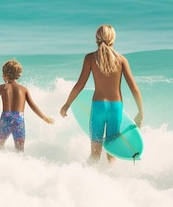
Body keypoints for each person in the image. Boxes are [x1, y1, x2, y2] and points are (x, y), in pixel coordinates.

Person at [60, 24, 144, 163]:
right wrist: (141, 112)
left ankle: (90, 181)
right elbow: (134, 88)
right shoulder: (122, 60)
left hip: (98, 107)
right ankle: (110, 179)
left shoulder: (90, 58)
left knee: (95, 153)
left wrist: (67, 104)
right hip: (116, 108)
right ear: (113, 39)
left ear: (96, 39)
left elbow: (79, 85)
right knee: (112, 151)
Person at [0, 59, 54, 151]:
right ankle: (20, 163)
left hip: (5, 118)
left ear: (5, 75)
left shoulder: (3, 87)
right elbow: (32, 105)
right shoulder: (23, 89)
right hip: (19, 119)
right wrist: (44, 117)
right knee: (20, 147)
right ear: (18, 75)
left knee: (0, 144)